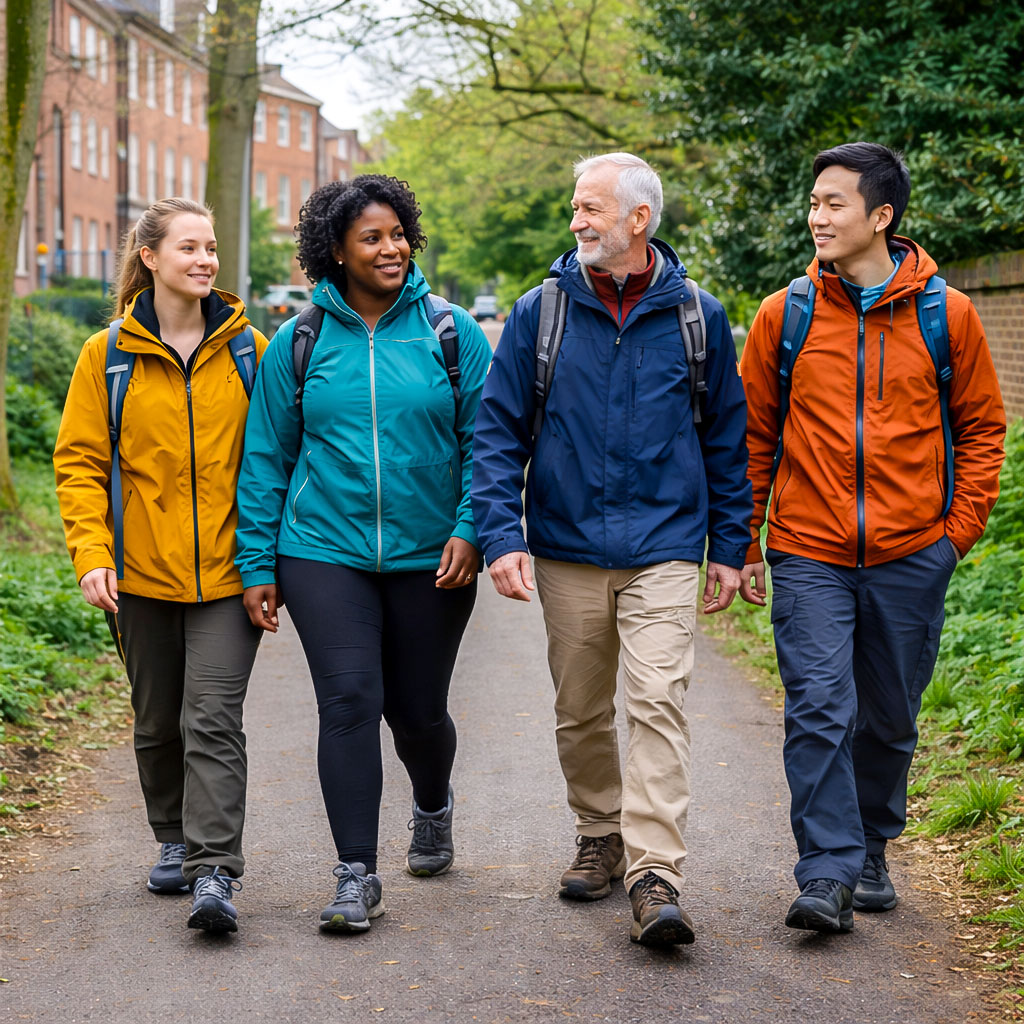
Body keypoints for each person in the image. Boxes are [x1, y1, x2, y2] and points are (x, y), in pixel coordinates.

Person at [470, 153, 752, 948]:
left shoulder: (699, 316)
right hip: (565, 546)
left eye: (589, 207)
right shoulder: (541, 312)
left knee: (657, 698)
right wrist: (502, 536)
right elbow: (497, 435)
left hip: (664, 545)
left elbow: (727, 439)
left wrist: (730, 545)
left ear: (639, 219)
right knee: (581, 709)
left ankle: (654, 872)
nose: (575, 221)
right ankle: (600, 832)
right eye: (573, 207)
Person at [739, 142, 1006, 933]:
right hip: (809, 549)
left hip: (911, 553)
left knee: (888, 717)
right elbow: (753, 436)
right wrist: (747, 538)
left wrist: (953, 537)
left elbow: (984, 429)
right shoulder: (784, 313)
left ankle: (872, 843)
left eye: (834, 204)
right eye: (814, 203)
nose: (817, 217)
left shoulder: (944, 313)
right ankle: (827, 871)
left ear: (880, 216)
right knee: (819, 706)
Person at [235, 175, 492, 935]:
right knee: (349, 701)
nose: (392, 248)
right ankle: (356, 874)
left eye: (398, 233)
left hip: (430, 554)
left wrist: (472, 526)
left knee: (416, 713)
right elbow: (266, 458)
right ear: (337, 252)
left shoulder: (451, 331)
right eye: (371, 238)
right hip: (322, 550)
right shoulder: (301, 339)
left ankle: (432, 802)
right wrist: (258, 563)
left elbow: (492, 443)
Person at [53, 197, 268, 934]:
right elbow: (79, 463)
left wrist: (268, 559)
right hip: (138, 575)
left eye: (211, 247)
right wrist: (91, 553)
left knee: (212, 719)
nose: (206, 259)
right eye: (189, 248)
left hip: (229, 576)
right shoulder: (105, 356)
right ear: (150, 257)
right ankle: (172, 838)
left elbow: (273, 460)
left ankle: (215, 873)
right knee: (156, 725)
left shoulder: (249, 351)